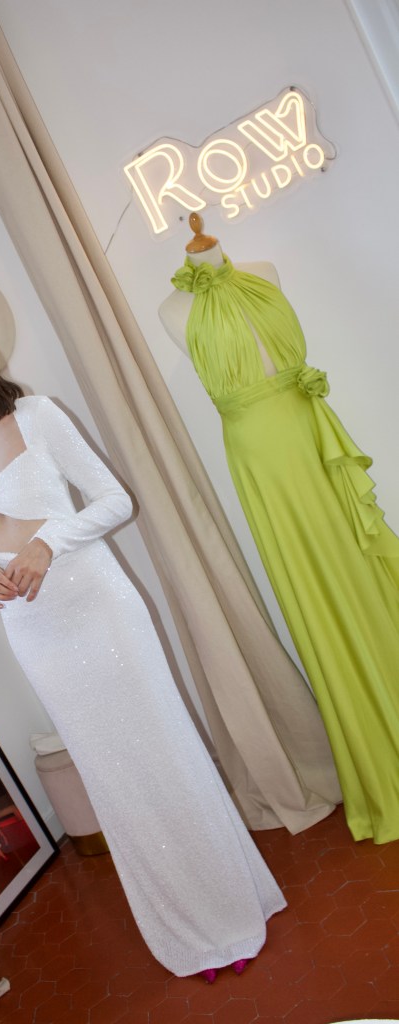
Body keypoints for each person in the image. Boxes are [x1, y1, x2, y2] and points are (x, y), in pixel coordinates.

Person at [0, 316, 285, 982]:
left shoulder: (35, 415)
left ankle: (233, 907)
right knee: (115, 779)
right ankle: (187, 927)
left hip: (99, 608)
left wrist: (48, 542)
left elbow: (116, 501)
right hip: (37, 634)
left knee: (166, 753)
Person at [159, 221, 399, 845]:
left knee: (362, 570)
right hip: (261, 459)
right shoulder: (171, 310)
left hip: (310, 432)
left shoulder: (262, 272)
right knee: (318, 594)